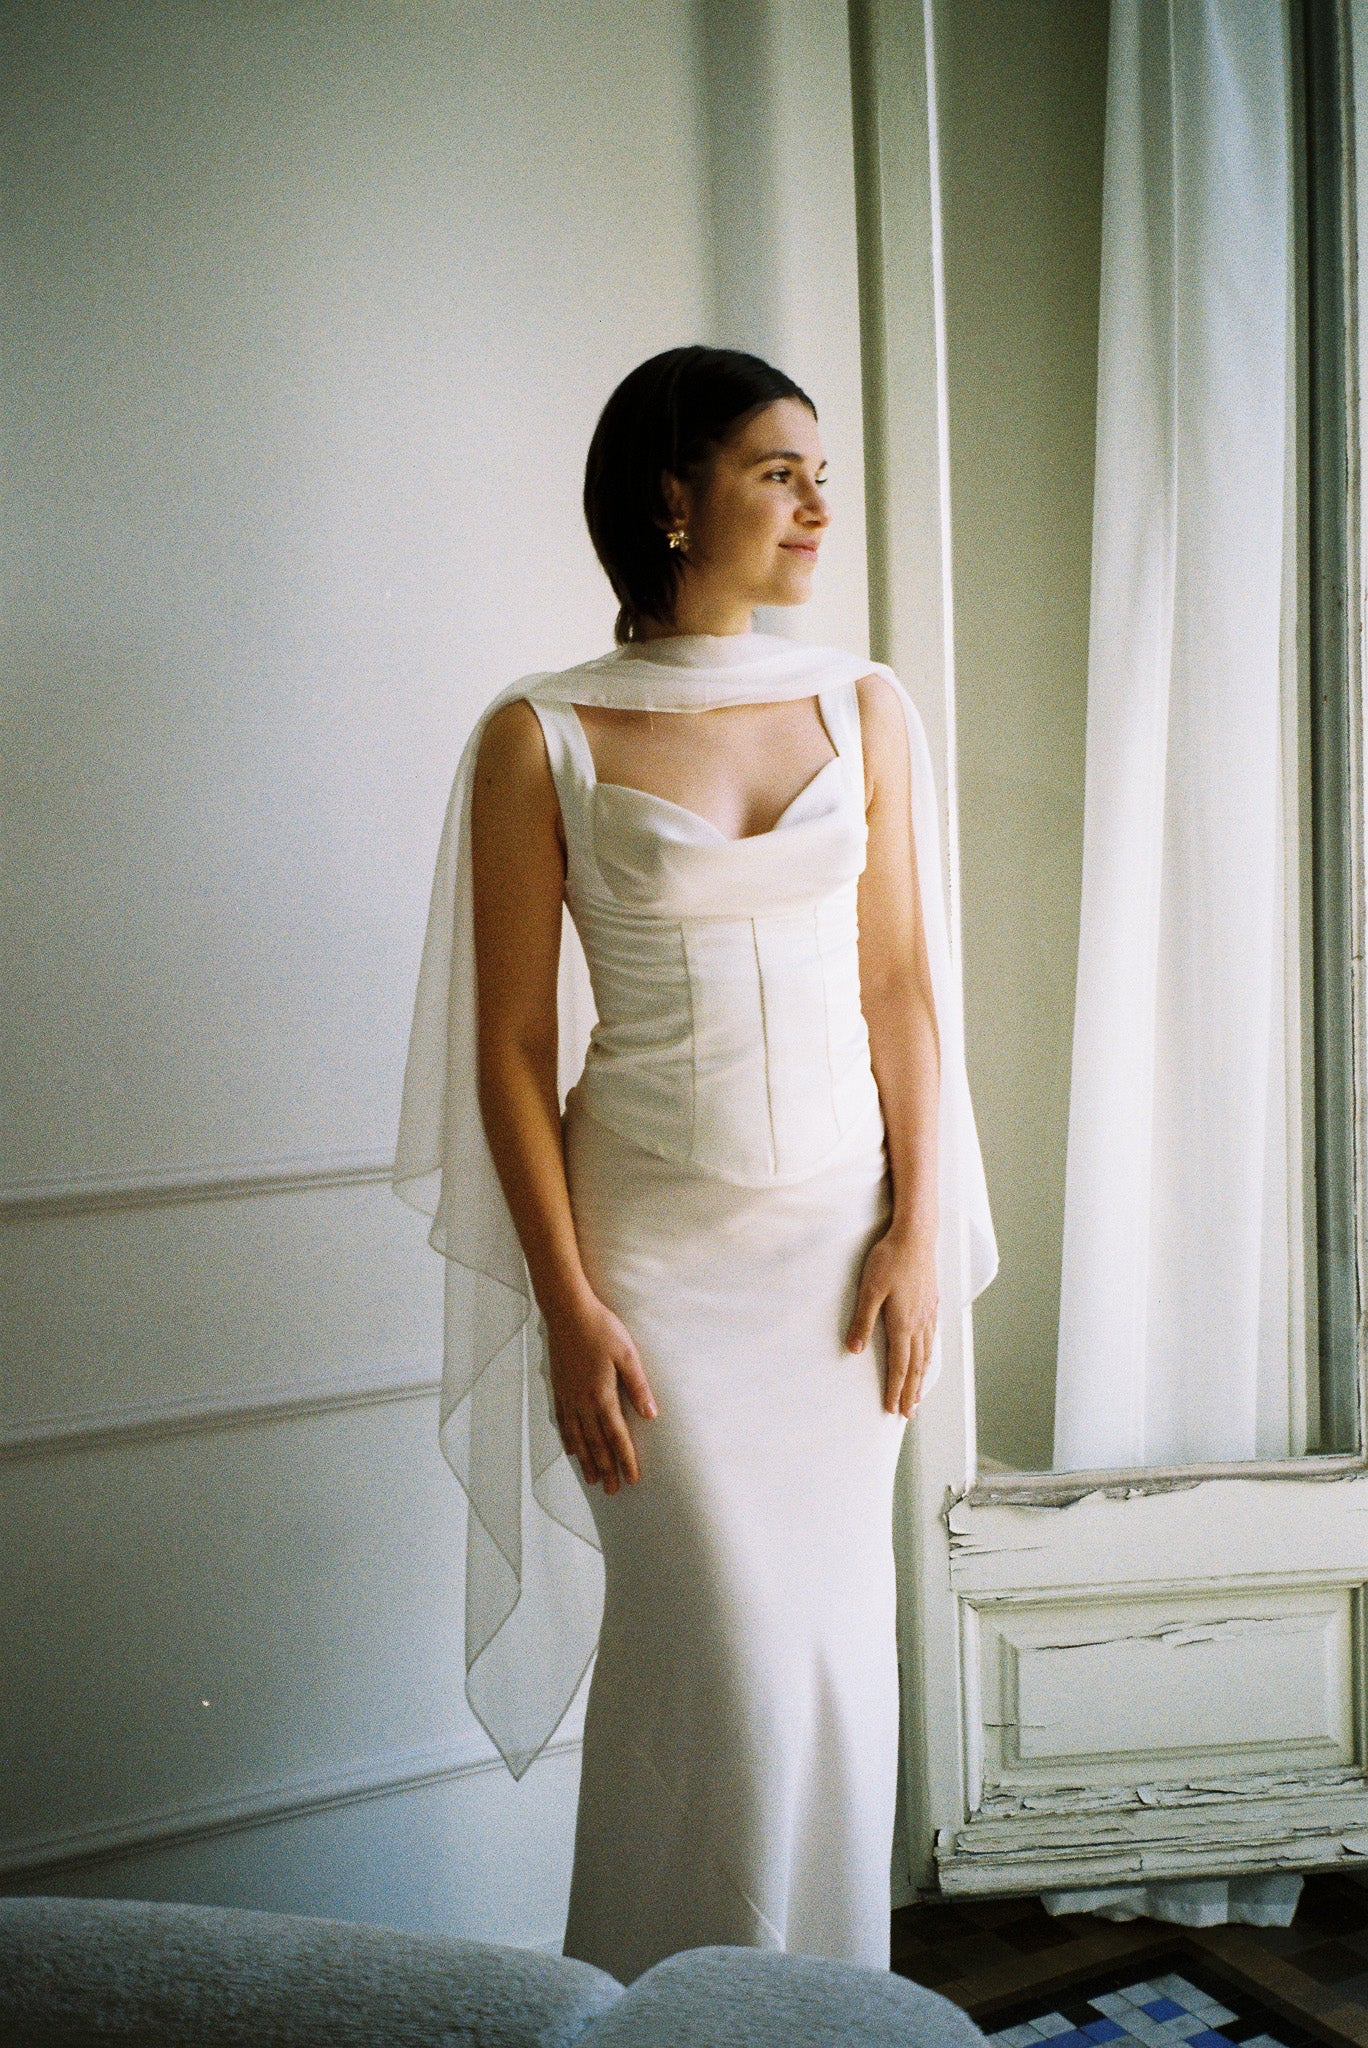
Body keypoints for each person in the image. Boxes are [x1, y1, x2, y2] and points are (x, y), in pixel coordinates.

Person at [395, 346, 995, 1984]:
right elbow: (510, 1046)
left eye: (821, 476)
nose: (816, 507)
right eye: (777, 472)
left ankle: (825, 2005)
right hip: (650, 1267)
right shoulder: (536, 733)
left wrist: (919, 1233)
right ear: (674, 496)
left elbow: (901, 988)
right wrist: (567, 1305)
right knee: (717, 1666)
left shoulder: (863, 705)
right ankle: (669, 2007)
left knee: (830, 1666)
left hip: (843, 1259)